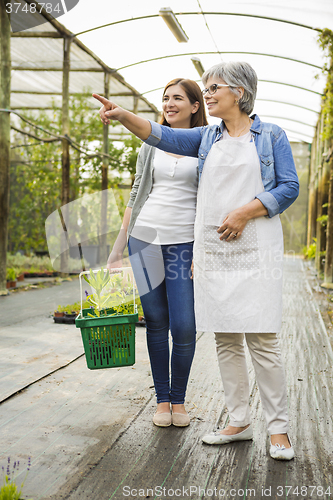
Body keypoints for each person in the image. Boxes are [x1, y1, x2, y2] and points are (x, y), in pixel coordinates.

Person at [93, 61, 299, 460]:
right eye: (204, 88)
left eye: (213, 87)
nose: (207, 94)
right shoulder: (206, 137)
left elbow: (288, 186)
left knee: (262, 338)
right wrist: (121, 116)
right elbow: (161, 135)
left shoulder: (271, 135)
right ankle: (238, 421)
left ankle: (279, 430)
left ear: (238, 92)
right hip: (214, 250)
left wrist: (246, 211)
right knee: (225, 338)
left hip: (255, 247)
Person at [104, 78, 208, 428]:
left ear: (195, 106)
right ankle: (163, 401)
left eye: (177, 98)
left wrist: (204, 249)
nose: (169, 103)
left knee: (184, 326)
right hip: (145, 241)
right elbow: (137, 194)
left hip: (184, 245)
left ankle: (180, 399)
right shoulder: (150, 143)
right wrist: (118, 249)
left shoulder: (207, 142)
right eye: (165, 98)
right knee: (156, 323)